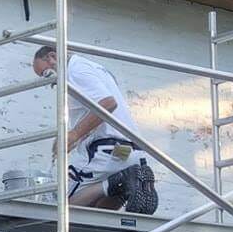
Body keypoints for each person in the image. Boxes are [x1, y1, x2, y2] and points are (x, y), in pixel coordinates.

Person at [30, 46, 158, 211]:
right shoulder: (95, 69)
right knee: (97, 209)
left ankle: (117, 182)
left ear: (53, 57)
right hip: (131, 152)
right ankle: (121, 186)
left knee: (60, 207)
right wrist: (73, 138)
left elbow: (108, 103)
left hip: (107, 151)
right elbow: (100, 111)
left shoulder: (76, 71)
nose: (49, 82)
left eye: (46, 74)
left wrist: (75, 134)